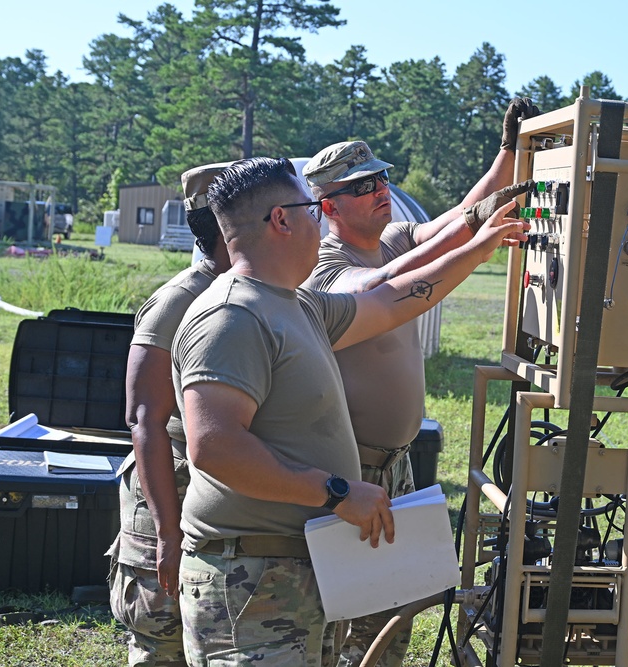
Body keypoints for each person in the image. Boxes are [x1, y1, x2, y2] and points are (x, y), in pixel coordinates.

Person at [172, 157, 527, 667]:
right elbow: (216, 445)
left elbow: (392, 300)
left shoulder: (295, 305)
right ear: (281, 220)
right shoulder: (232, 315)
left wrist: (481, 242)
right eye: (312, 208)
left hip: (291, 566)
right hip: (251, 577)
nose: (320, 220)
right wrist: (336, 491)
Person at [302, 97, 539, 667]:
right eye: (363, 187)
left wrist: (507, 154)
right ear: (328, 205)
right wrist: (472, 238)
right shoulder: (326, 266)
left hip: (397, 462)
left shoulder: (390, 236)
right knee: (350, 616)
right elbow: (386, 285)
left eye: (381, 178)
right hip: (351, 467)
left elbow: (455, 217)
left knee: (396, 606)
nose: (380, 189)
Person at [107, 161, 233, 667]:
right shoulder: (179, 301)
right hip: (169, 490)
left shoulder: (255, 290)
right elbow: (144, 419)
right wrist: (166, 533)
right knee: (163, 639)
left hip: (211, 498)